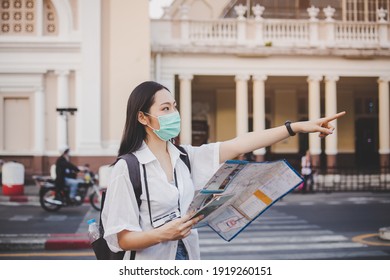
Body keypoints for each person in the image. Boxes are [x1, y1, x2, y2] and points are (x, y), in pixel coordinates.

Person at [101, 81, 345, 260]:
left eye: (174, 107)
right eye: (165, 109)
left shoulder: (186, 157)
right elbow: (122, 239)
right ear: (143, 118)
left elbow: (241, 143)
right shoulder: (127, 168)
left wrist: (296, 127)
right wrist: (164, 234)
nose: (174, 114)